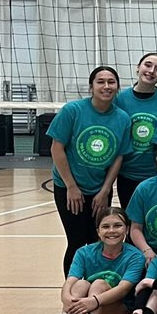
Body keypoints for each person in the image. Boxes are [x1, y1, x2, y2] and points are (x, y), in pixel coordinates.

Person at [48, 66, 132, 275]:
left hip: (99, 189)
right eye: (100, 82)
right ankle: (72, 293)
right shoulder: (73, 110)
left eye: (111, 82)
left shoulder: (122, 118)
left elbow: (118, 157)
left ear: (117, 87)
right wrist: (71, 186)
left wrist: (105, 191)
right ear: (91, 87)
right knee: (76, 241)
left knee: (99, 241)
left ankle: (97, 290)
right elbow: (56, 148)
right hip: (69, 187)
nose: (106, 86)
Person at [37, 207, 145, 314]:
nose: (112, 231)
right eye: (106, 227)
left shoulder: (135, 256)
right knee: (80, 284)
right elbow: (70, 281)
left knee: (99, 284)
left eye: (117, 226)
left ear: (127, 229)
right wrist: (66, 299)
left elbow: (123, 289)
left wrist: (93, 301)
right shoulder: (84, 252)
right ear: (98, 231)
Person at [114, 52, 157, 209]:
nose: (152, 70)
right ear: (137, 68)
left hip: (156, 176)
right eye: (148, 65)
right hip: (127, 175)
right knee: (132, 223)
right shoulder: (119, 100)